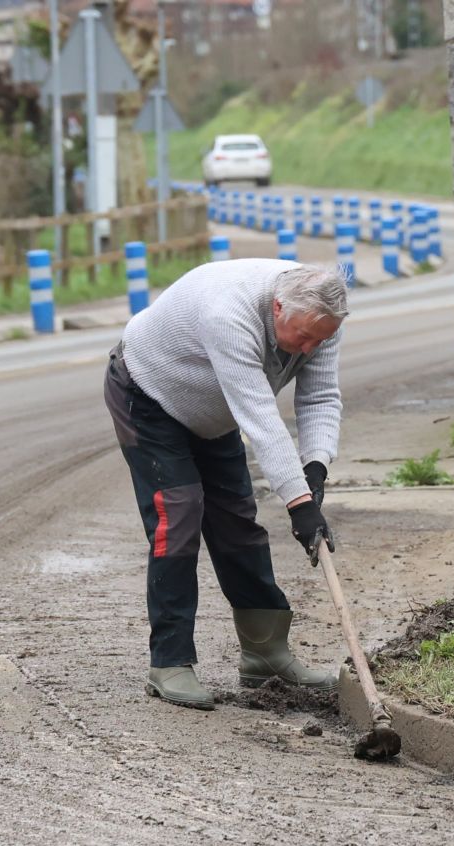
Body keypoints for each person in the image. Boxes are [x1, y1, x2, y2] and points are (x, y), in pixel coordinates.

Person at [102, 258, 348, 710]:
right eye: (304, 337)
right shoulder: (229, 314)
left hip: (212, 413)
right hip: (149, 396)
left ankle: (265, 653)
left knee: (237, 520)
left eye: (322, 339)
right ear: (277, 309)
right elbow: (261, 419)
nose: (310, 348)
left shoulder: (321, 318)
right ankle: (170, 662)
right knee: (178, 515)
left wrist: (315, 469)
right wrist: (300, 506)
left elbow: (320, 396)